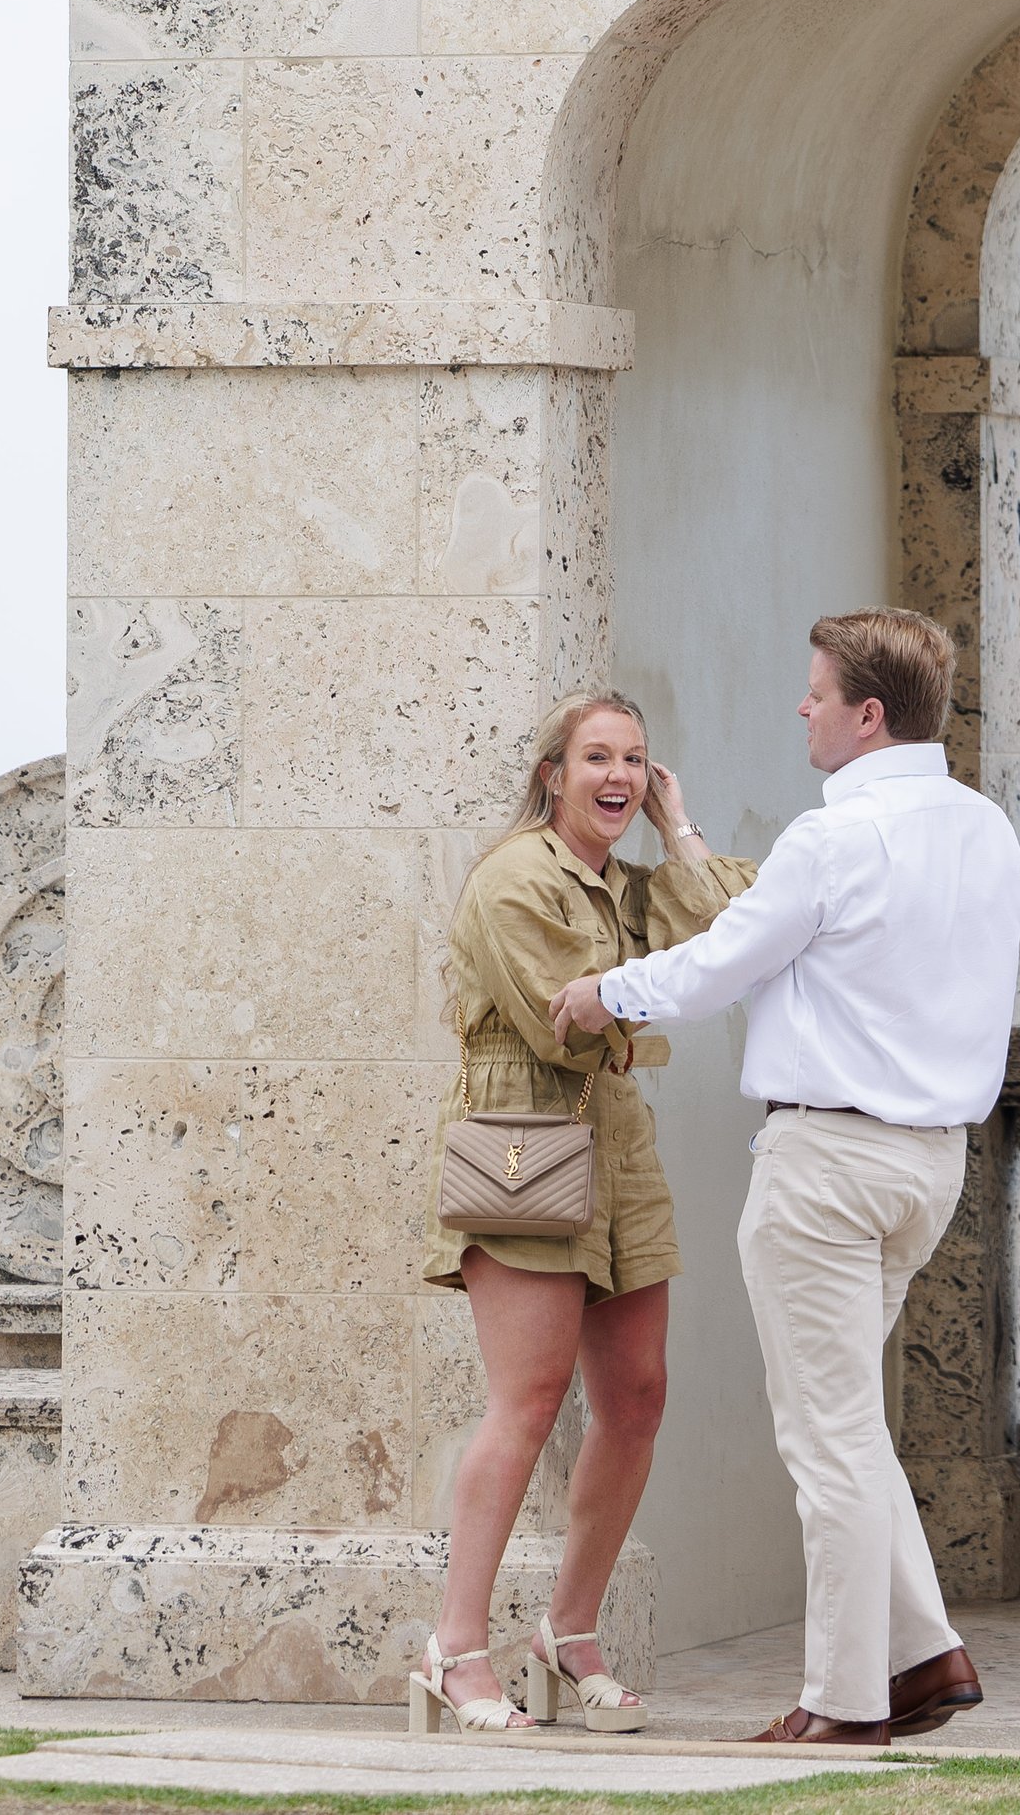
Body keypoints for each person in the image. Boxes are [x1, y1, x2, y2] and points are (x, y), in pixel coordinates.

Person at [550, 608, 1020, 1748]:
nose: (800, 708)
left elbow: (722, 963)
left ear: (866, 715)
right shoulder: (985, 830)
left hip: (827, 1167)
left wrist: (599, 995)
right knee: (853, 1426)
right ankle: (926, 1658)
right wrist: (689, 833)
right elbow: (765, 929)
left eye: (815, 692)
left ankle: (843, 1702)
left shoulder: (836, 838)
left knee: (830, 1442)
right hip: (930, 1168)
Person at [415, 690, 754, 1736]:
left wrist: (679, 828)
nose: (616, 776)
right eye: (596, 757)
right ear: (550, 774)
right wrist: (654, 1008)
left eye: (636, 761)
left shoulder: (633, 879)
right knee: (526, 1402)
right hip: (523, 1145)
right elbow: (564, 1023)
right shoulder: (514, 880)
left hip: (617, 1154)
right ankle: (454, 1652)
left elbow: (737, 926)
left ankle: (567, 1637)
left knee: (637, 1399)